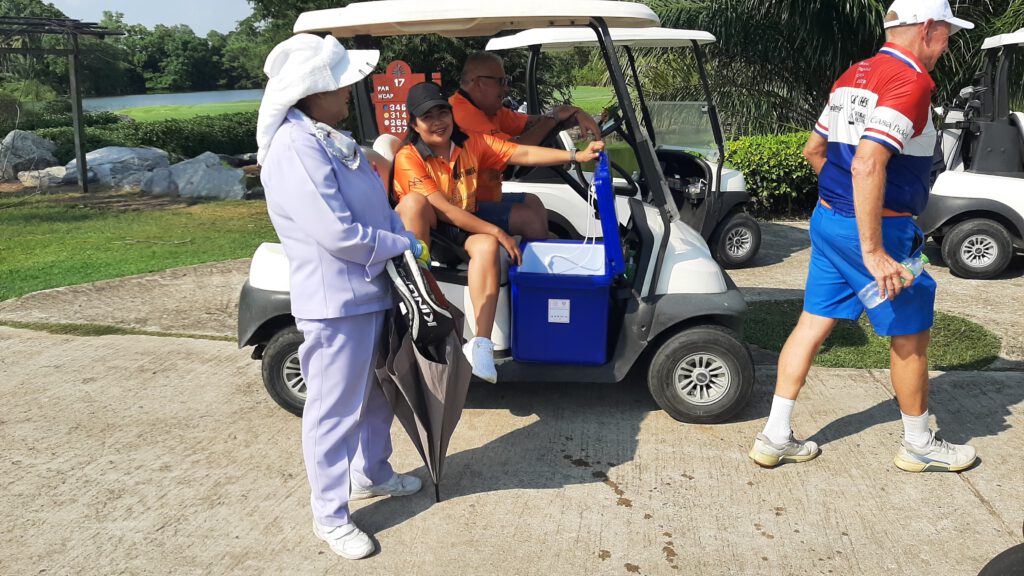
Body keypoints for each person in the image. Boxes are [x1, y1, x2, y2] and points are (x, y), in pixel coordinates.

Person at [748, 0, 978, 473]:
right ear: (927, 29)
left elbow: (815, 149)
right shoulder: (912, 80)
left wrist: (841, 207)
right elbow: (868, 163)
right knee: (910, 336)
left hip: (829, 220)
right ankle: (919, 443)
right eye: (947, 33)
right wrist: (872, 248)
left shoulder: (853, 75)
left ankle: (774, 437)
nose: (947, 44)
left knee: (812, 322)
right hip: (878, 231)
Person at [256, 34, 427, 560]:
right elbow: (337, 233)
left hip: (368, 290)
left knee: (377, 394)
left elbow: (371, 207)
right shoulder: (295, 146)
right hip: (336, 302)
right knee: (332, 410)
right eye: (340, 83)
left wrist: (398, 233)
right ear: (312, 91)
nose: (350, 89)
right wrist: (401, 244)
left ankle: (372, 472)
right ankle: (329, 515)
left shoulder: (325, 136)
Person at [392, 81, 604, 382]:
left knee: (488, 245)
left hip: (463, 220)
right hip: (432, 232)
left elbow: (522, 154)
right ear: (414, 124)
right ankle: (420, 293)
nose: (438, 122)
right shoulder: (408, 157)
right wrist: (498, 232)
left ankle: (481, 343)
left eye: (442, 113)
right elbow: (445, 210)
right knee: (415, 203)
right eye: (428, 117)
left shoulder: (470, 142)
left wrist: (576, 157)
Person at [450, 51, 603, 208]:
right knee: (527, 216)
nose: (506, 88)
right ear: (479, 83)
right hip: (468, 206)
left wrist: (574, 114)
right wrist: (574, 153)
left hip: (487, 198)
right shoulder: (464, 116)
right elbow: (518, 151)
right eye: (501, 82)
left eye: (507, 81)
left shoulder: (489, 109)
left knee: (533, 203)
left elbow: (532, 123)